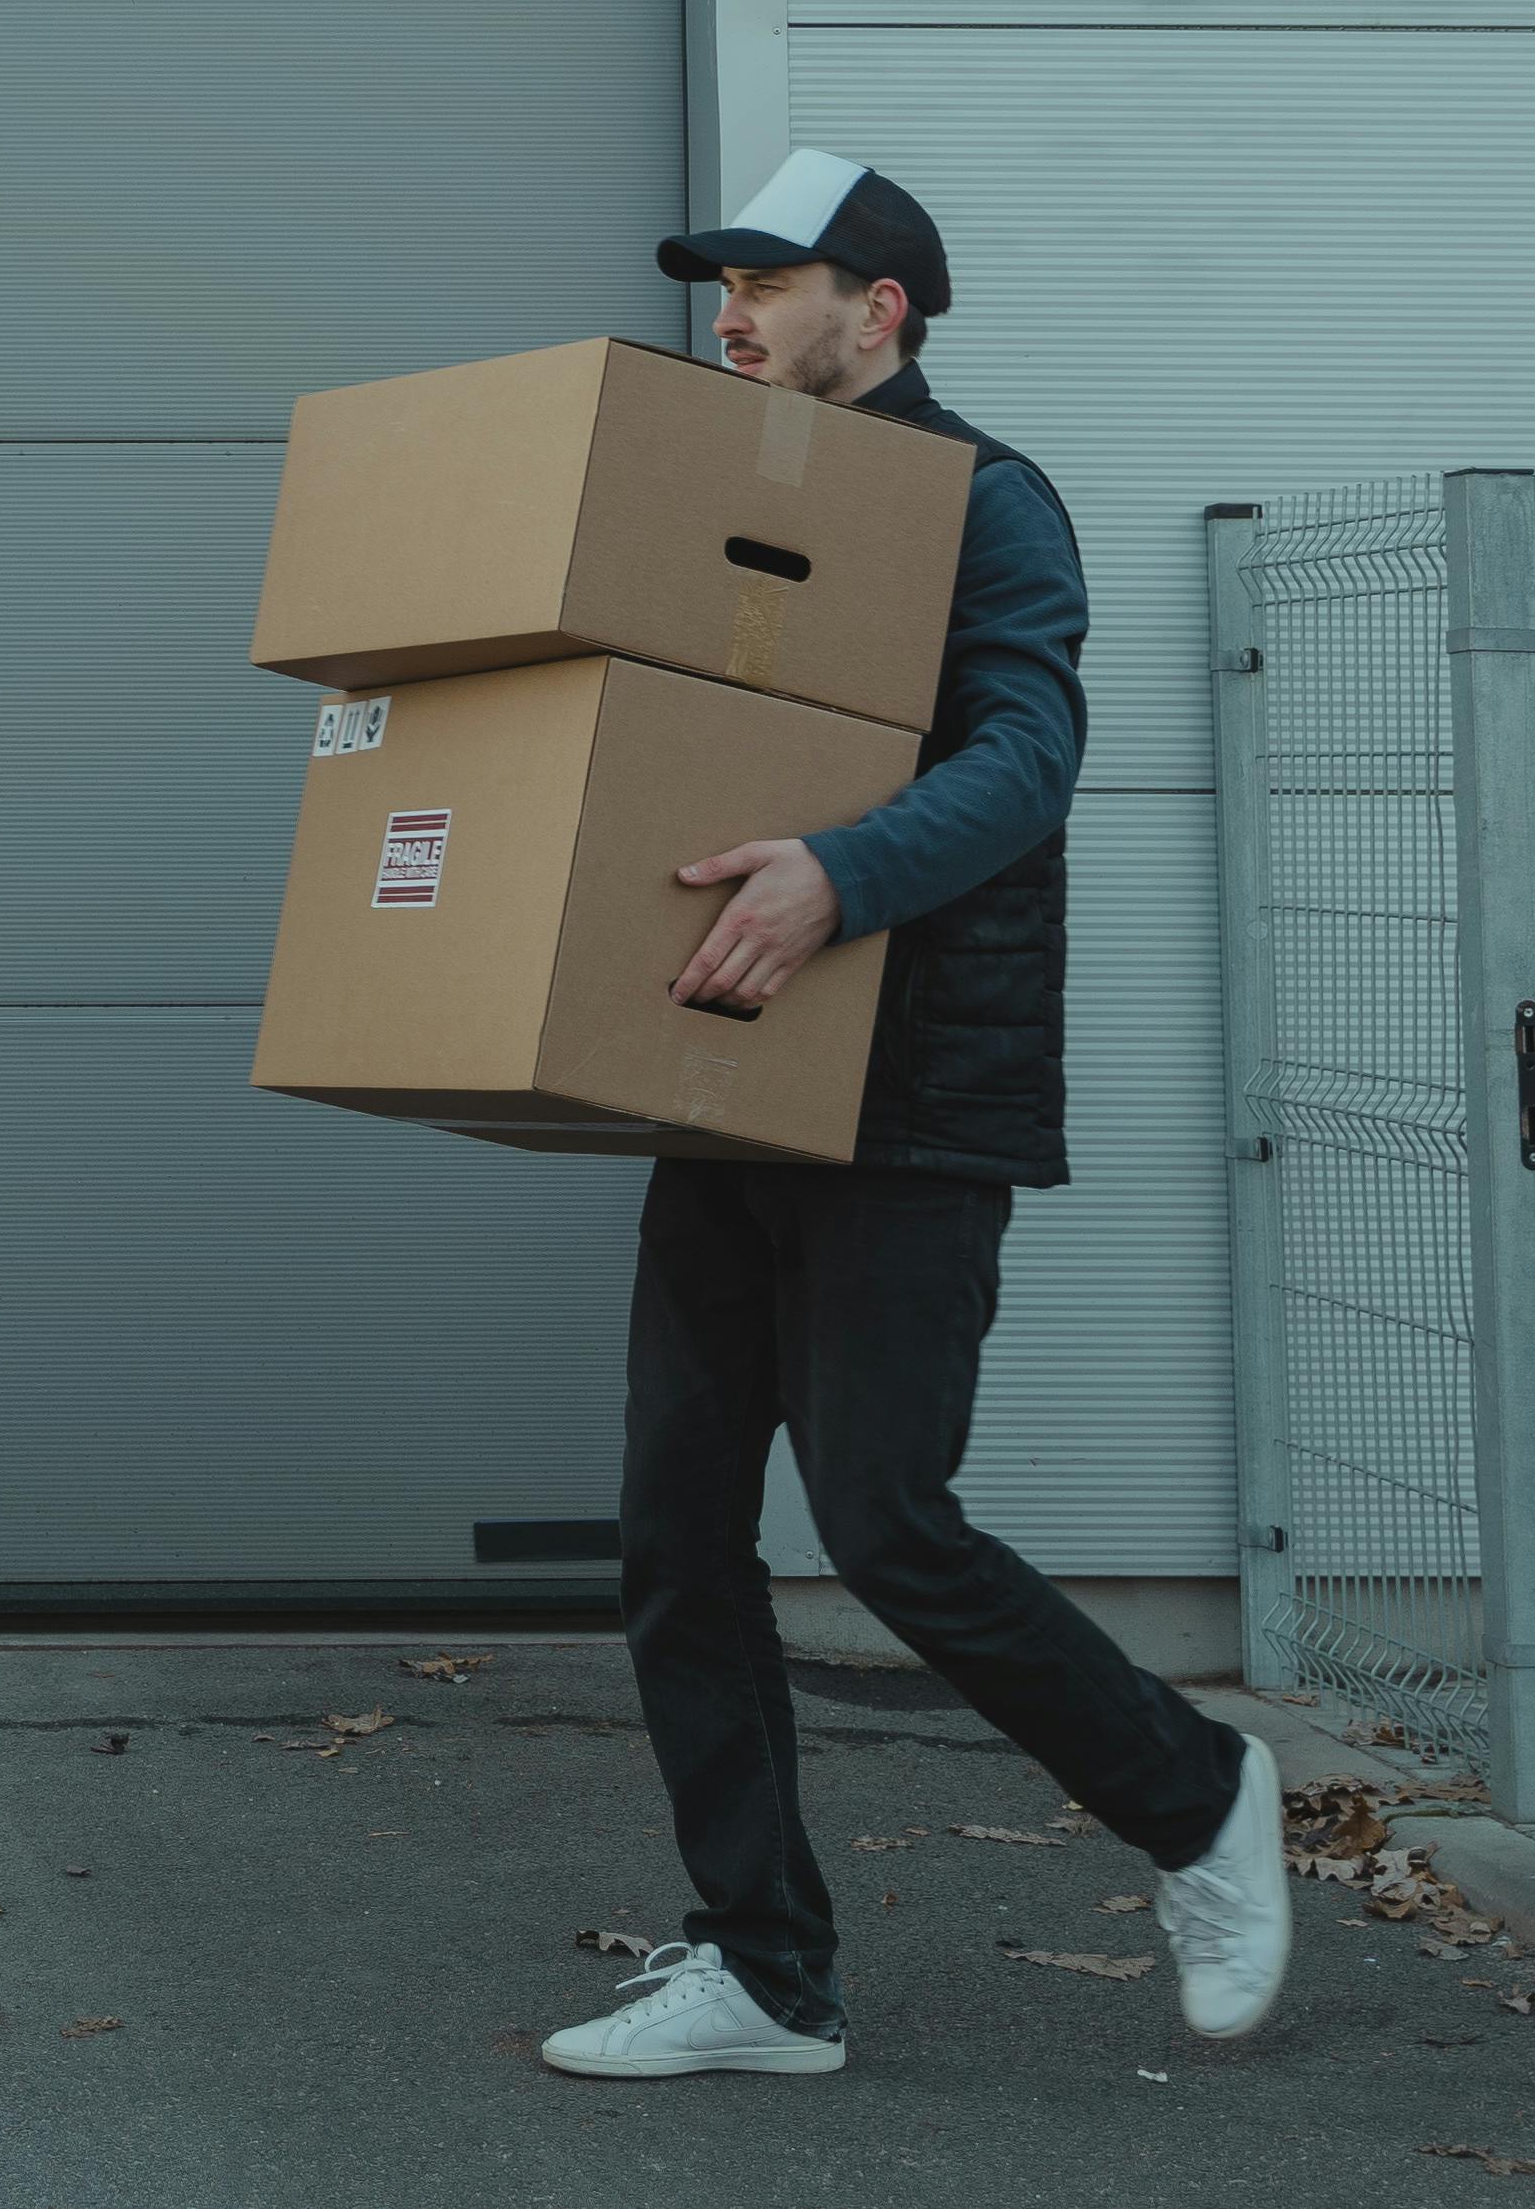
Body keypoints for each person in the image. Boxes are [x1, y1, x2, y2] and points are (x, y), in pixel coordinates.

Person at [538, 149, 1292, 2081]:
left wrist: (834, 880)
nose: (729, 312)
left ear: (880, 310)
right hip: (733, 1077)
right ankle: (767, 1973)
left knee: (887, 1521)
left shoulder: (988, 502)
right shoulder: (736, 508)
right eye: (722, 282)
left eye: (767, 283)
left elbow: (1029, 757)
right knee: (677, 1533)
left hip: (915, 1088)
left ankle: (1200, 1798)